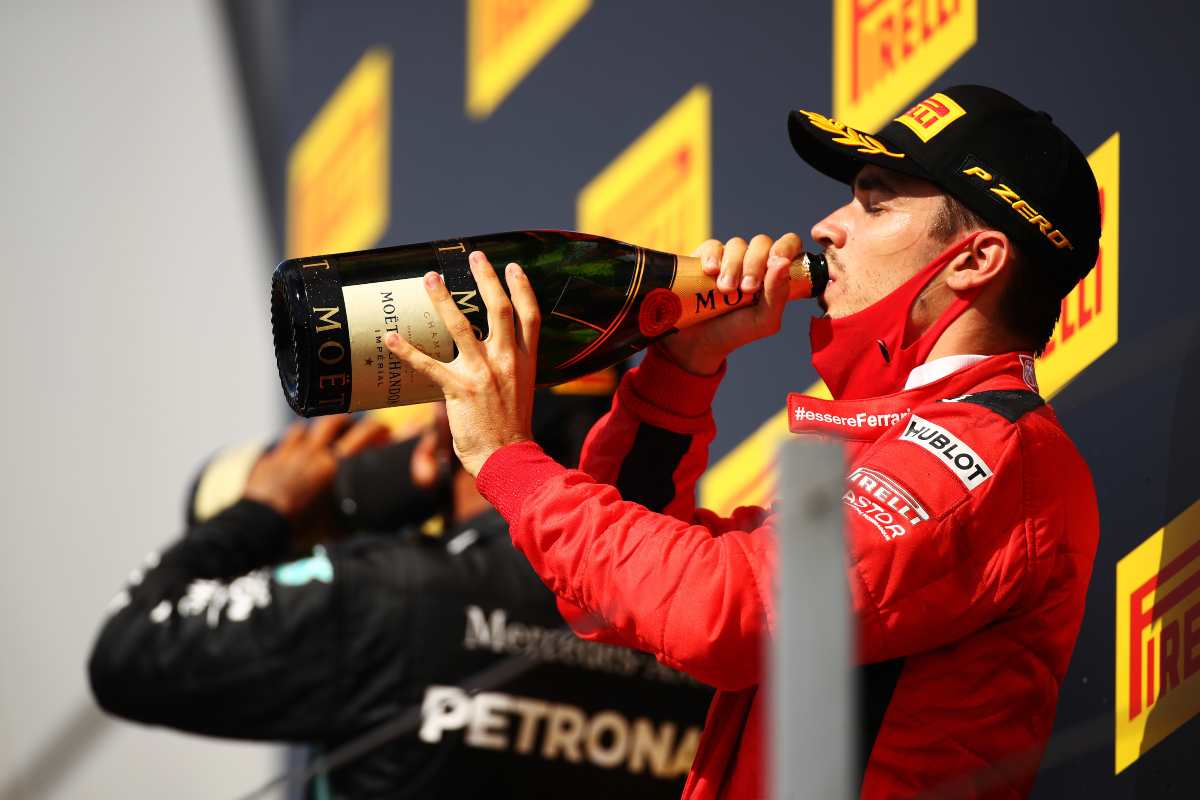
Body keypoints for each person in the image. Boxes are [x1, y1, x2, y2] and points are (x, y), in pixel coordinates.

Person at [381, 85, 1103, 799]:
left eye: (875, 202)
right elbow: (605, 606)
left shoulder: (996, 452)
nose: (826, 226)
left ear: (974, 262)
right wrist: (680, 367)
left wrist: (507, 460)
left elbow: (722, 614)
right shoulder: (901, 440)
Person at [88, 384, 713, 799]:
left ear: (454, 419)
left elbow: (130, 648)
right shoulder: (705, 592)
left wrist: (266, 509)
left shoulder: (381, 594)